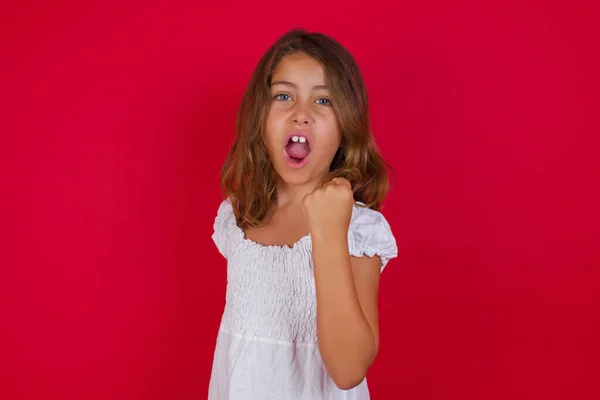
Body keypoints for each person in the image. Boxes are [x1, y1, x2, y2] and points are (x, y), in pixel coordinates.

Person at [209, 29, 398, 400]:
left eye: (323, 101)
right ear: (261, 119)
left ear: (346, 127)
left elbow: (348, 371)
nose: (301, 115)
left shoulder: (360, 230)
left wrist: (329, 231)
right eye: (283, 96)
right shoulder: (239, 216)